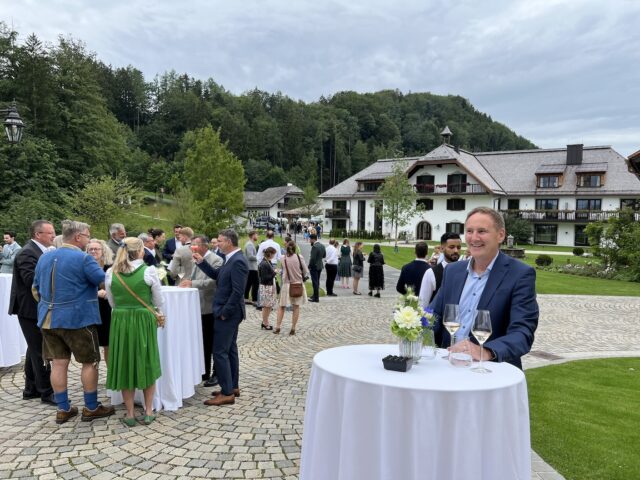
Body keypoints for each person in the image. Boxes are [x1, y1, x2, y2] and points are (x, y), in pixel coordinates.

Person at [430, 207, 539, 369]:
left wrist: (486, 351)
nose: (474, 238)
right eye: (469, 231)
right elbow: (434, 315)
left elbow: (522, 333)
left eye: (482, 231)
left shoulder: (520, 274)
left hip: (489, 369)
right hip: (448, 365)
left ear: (500, 235)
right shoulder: (453, 271)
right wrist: (412, 325)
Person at [32, 221, 115, 424]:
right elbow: (104, 281)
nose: (88, 239)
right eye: (87, 236)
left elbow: (36, 289)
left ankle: (63, 409)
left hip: (48, 319)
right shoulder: (83, 258)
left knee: (58, 364)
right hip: (78, 319)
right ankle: (91, 407)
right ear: (78, 237)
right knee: (90, 362)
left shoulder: (44, 257)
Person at [105, 237, 163, 426]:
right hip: (142, 320)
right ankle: (148, 411)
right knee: (146, 361)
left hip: (121, 321)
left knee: (124, 362)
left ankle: (130, 414)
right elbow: (158, 301)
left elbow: (112, 302)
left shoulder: (110, 273)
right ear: (141, 251)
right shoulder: (149, 271)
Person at [194, 229, 249, 406]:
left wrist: (225, 312)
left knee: (219, 351)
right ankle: (232, 386)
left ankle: (227, 393)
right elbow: (220, 277)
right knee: (230, 350)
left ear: (229, 242)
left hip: (229, 314)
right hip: (228, 312)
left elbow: (238, 291)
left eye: (220, 241)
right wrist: (202, 263)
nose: (216, 244)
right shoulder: (230, 258)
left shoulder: (238, 260)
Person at [9, 220, 56, 406]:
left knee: (33, 348)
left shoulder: (41, 251)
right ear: (38, 235)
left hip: (36, 307)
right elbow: (31, 280)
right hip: (30, 309)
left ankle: (31, 388)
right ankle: (46, 392)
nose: (54, 235)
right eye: (50, 233)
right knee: (39, 350)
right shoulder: (27, 252)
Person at [179, 234, 223, 387]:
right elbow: (192, 276)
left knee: (213, 343)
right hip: (196, 306)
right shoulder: (195, 258)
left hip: (209, 306)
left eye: (195, 245)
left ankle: (216, 374)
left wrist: (193, 283)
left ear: (205, 246)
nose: (193, 248)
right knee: (201, 341)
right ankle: (203, 371)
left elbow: (214, 281)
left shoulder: (217, 260)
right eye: (191, 245)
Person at [87, 239, 114, 365]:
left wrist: (108, 293)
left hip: (107, 309)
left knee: (109, 344)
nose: (93, 251)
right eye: (90, 249)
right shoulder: (84, 267)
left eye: (96, 249)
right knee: (91, 345)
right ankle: (92, 375)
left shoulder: (110, 267)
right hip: (90, 309)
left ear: (103, 251)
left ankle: (110, 376)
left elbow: (117, 287)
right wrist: (95, 293)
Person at [419, 233, 462, 307]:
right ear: (442, 248)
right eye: (451, 247)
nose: (456, 251)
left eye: (458, 247)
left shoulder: (466, 271)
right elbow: (423, 304)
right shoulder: (431, 273)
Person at [275, 241, 309, 335]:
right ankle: (293, 328)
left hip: (287, 284)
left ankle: (278, 326)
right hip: (298, 284)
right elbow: (306, 270)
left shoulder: (283, 258)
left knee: (282, 306)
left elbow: (283, 270)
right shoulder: (299, 257)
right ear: (295, 248)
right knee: (296, 307)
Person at [257, 247, 277, 330]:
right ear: (270, 254)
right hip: (266, 287)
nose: (274, 256)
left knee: (268, 306)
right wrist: (274, 273)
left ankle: (265, 322)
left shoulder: (267, 262)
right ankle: (265, 323)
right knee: (266, 306)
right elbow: (264, 278)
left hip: (268, 287)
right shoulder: (264, 263)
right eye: (274, 254)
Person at [308, 234, 325, 302]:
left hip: (314, 266)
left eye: (310, 240)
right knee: (317, 281)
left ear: (313, 239)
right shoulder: (322, 245)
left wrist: (309, 266)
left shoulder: (315, 246)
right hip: (320, 265)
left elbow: (312, 258)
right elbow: (324, 255)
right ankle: (314, 295)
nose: (310, 241)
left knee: (315, 282)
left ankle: (316, 298)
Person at [244, 230, 259, 305]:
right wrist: (259, 257)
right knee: (255, 283)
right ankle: (254, 299)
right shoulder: (250, 244)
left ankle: (246, 298)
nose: (258, 236)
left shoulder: (251, 243)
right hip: (251, 267)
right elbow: (250, 256)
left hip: (251, 267)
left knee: (249, 283)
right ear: (253, 235)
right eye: (257, 235)